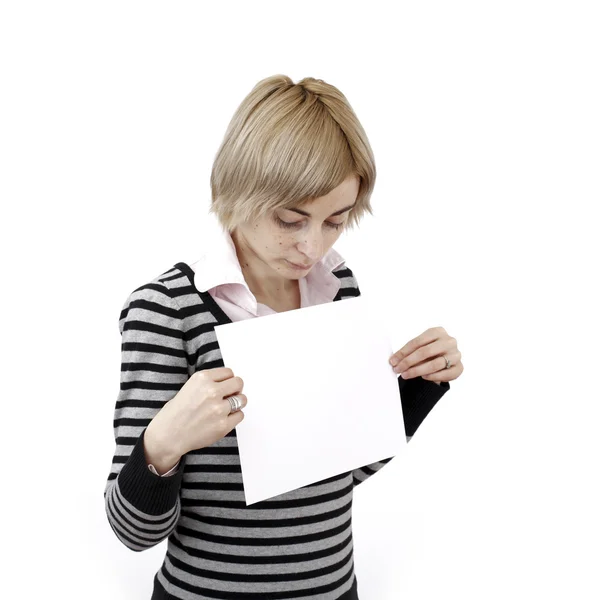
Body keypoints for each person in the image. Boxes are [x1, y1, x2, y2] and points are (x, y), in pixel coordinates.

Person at [104, 74, 458, 600]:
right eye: (290, 220)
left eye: (335, 221)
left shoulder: (339, 289)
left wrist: (420, 387)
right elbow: (133, 531)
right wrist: (163, 444)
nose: (311, 247)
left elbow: (337, 473)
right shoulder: (167, 310)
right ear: (239, 190)